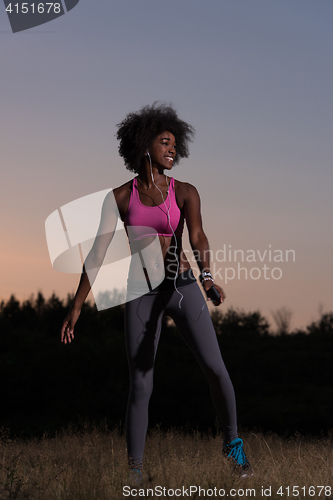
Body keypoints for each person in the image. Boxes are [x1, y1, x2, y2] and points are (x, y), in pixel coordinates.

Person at [60, 103, 252, 479]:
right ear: (143, 144)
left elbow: (197, 236)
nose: (173, 150)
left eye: (175, 144)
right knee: (141, 381)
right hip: (140, 291)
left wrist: (207, 277)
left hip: (182, 286)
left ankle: (233, 446)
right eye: (165, 142)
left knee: (215, 369)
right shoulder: (118, 197)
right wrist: (77, 305)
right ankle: (135, 470)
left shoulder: (186, 192)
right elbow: (97, 253)